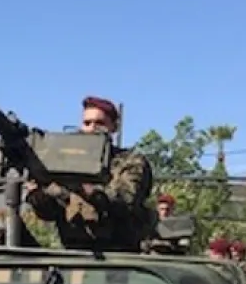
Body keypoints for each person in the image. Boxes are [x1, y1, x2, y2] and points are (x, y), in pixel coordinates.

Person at [22, 96, 156, 249]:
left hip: (121, 256)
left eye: (99, 123)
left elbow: (125, 200)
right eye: (87, 123)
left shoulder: (130, 161)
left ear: (114, 127)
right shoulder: (64, 163)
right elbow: (48, 213)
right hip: (74, 254)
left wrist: (82, 188)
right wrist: (38, 194)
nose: (91, 128)